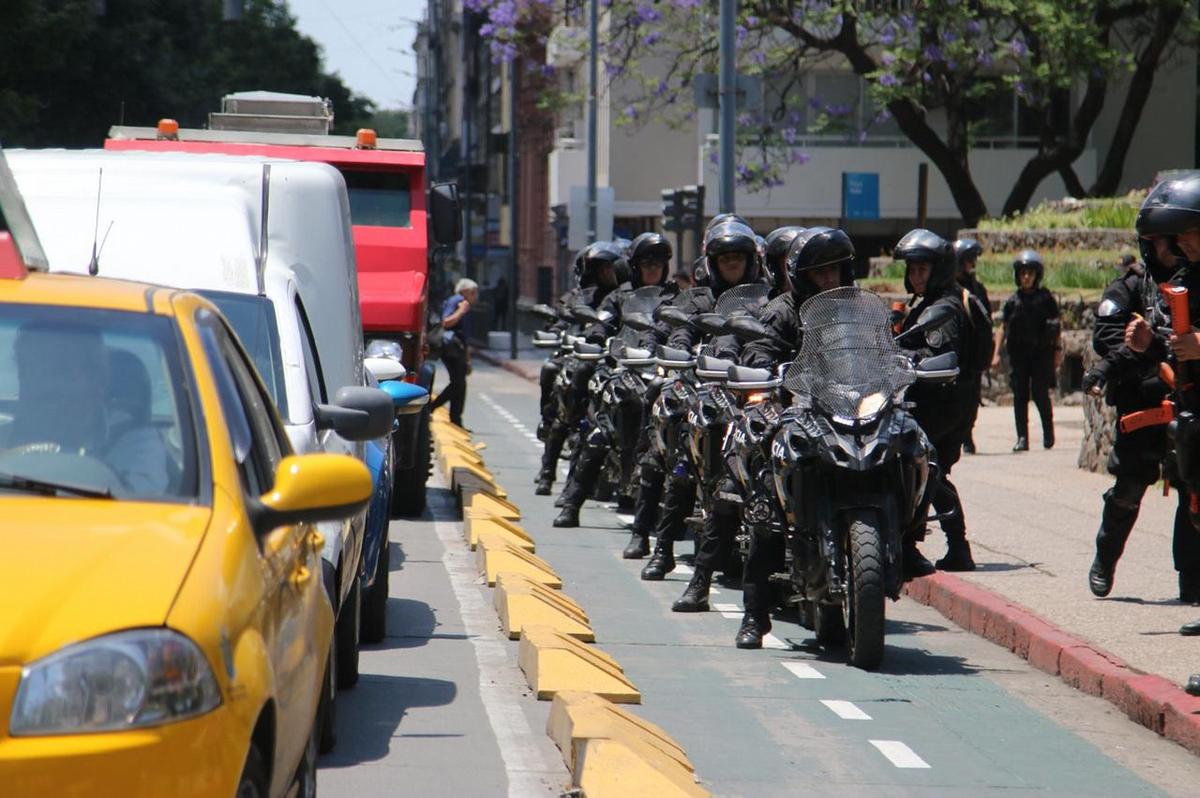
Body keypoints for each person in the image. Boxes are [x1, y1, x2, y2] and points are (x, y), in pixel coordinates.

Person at [735, 227, 855, 648]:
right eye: (819, 272)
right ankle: (754, 615)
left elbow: (882, 349)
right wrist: (768, 369)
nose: (828, 280)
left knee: (909, 444)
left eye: (835, 270)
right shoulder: (783, 312)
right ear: (802, 275)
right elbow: (758, 351)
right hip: (796, 414)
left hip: (847, 415)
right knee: (767, 505)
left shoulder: (854, 311)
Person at [651, 221, 764, 613]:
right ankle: (669, 555)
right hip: (710, 387)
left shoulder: (769, 300)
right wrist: (684, 353)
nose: (732, 265)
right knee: (686, 463)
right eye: (725, 259)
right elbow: (681, 332)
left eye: (738, 258)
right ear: (714, 263)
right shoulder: (698, 299)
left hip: (760, 392)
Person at [1084, 181, 1188, 599]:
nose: (1177, 247)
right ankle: (1104, 560)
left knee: (1191, 495)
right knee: (1128, 490)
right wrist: (1146, 352)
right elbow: (1109, 340)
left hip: (1184, 404)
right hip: (1141, 407)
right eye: (1169, 241)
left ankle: (1191, 583)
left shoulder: (1192, 285)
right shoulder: (1127, 289)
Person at [553, 233, 674, 528]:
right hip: (622, 369)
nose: (652, 269)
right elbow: (602, 323)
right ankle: (571, 504)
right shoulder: (619, 296)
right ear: (635, 265)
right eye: (646, 263)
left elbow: (685, 329)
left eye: (658, 263)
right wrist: (598, 338)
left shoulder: (675, 298)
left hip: (660, 370)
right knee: (597, 436)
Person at [1121, 173, 1200, 605]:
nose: (1180, 243)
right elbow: (1176, 354)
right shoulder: (1188, 278)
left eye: (1187, 234)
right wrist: (1152, 345)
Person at [896, 229, 977, 574]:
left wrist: (905, 356)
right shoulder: (929, 302)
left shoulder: (943, 308)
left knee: (925, 471)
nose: (915, 276)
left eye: (922, 270)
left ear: (938, 269)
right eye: (912, 270)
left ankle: (916, 546)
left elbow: (937, 352)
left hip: (943, 406)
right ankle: (954, 549)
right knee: (932, 473)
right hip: (940, 403)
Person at [534, 243, 623, 494]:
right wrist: (556, 333)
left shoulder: (624, 296)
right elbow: (561, 319)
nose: (608, 273)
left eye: (611, 268)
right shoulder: (578, 296)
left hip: (611, 358)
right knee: (554, 378)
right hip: (576, 354)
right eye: (602, 269)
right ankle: (547, 471)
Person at [993, 251, 1061, 451]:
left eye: (1030, 273)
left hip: (1041, 354)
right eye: (1022, 273)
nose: (1026, 277)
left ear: (1036, 275)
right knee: (1019, 395)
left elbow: (1057, 327)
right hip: (1019, 355)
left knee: (1040, 394)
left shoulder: (1046, 298)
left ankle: (1048, 434)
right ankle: (1022, 437)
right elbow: (1003, 327)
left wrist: (1057, 351)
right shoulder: (1012, 301)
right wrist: (996, 353)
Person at [954, 238, 991, 454]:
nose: (971, 265)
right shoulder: (951, 290)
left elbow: (986, 324)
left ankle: (968, 434)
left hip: (972, 352)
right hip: (956, 351)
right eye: (967, 261)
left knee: (972, 397)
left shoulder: (978, 289)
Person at [430, 278, 478, 427]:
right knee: (457, 383)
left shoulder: (465, 304)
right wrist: (461, 311)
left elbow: (465, 336)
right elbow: (446, 322)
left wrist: (468, 359)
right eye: (473, 293)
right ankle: (431, 407)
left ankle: (456, 420)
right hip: (450, 348)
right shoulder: (457, 301)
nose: (475, 296)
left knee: (460, 384)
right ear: (465, 291)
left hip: (459, 349)